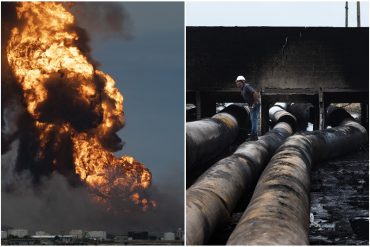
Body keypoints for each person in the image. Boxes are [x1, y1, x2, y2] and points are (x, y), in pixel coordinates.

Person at [235, 75, 260, 141]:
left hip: (255, 104)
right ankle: (254, 135)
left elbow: (254, 93)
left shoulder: (246, 86)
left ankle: (254, 136)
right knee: (252, 119)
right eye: (237, 82)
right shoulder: (242, 89)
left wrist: (255, 103)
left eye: (239, 82)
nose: (237, 84)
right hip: (251, 105)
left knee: (254, 119)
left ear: (243, 82)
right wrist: (250, 105)